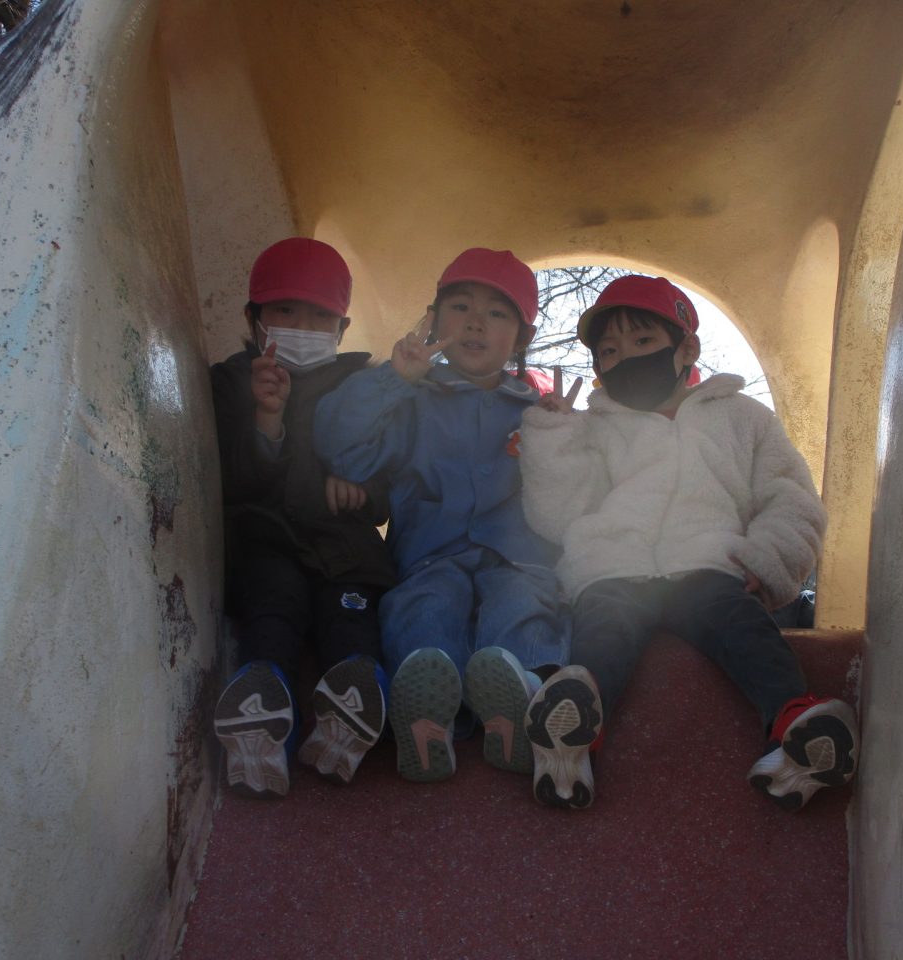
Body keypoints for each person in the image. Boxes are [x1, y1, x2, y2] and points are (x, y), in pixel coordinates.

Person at [518, 274, 858, 811]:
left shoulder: (742, 417)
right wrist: (553, 437)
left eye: (643, 341)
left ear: (687, 349)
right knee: (604, 631)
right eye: (609, 351)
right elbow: (560, 514)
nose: (626, 357)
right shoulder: (595, 428)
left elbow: (790, 496)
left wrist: (768, 558)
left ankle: (793, 720)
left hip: (707, 564)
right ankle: (574, 728)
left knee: (744, 627)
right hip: (614, 566)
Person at [314, 248, 568, 784]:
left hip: (516, 556)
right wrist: (394, 378)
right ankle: (430, 712)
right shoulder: (409, 398)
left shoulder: (535, 411)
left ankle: (524, 697)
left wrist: (563, 435)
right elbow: (343, 449)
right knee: (423, 607)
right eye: (460, 307)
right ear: (433, 319)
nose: (475, 322)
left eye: (496, 313)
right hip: (429, 555)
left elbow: (570, 490)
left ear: (521, 338)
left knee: (522, 602)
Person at [211, 237, 395, 797]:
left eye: (319, 317)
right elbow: (230, 481)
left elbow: (391, 478)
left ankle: (357, 698)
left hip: (345, 548)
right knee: (273, 610)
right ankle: (265, 712)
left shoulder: (364, 386)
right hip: (266, 542)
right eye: (285, 311)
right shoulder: (231, 382)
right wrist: (266, 421)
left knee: (350, 613)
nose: (301, 326)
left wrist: (362, 489)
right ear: (253, 318)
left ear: (342, 329)